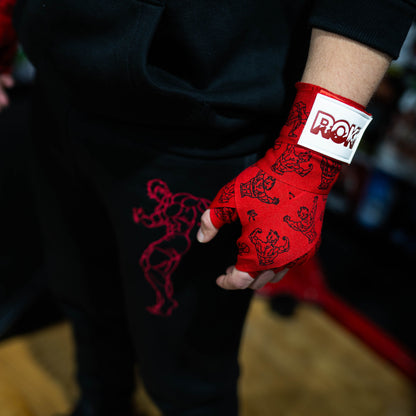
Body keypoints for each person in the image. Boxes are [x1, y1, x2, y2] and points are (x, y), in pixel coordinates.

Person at [1, 0, 415, 415]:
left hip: (200, 123)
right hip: (57, 84)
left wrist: (305, 168)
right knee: (82, 299)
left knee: (184, 368)